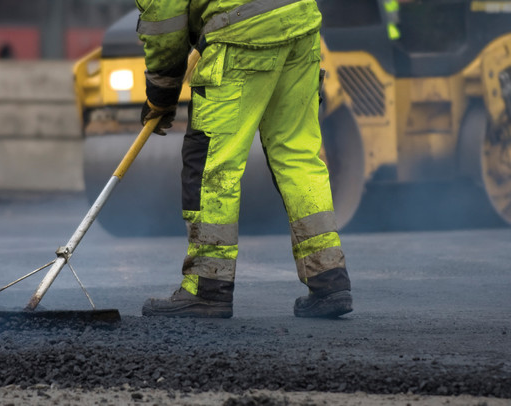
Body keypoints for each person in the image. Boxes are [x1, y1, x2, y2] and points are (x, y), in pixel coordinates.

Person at [137, 0, 352, 318]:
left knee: (212, 163)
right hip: (299, 22)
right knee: (297, 155)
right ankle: (329, 279)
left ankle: (208, 288)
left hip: (241, 35)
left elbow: (163, 20)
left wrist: (161, 93)